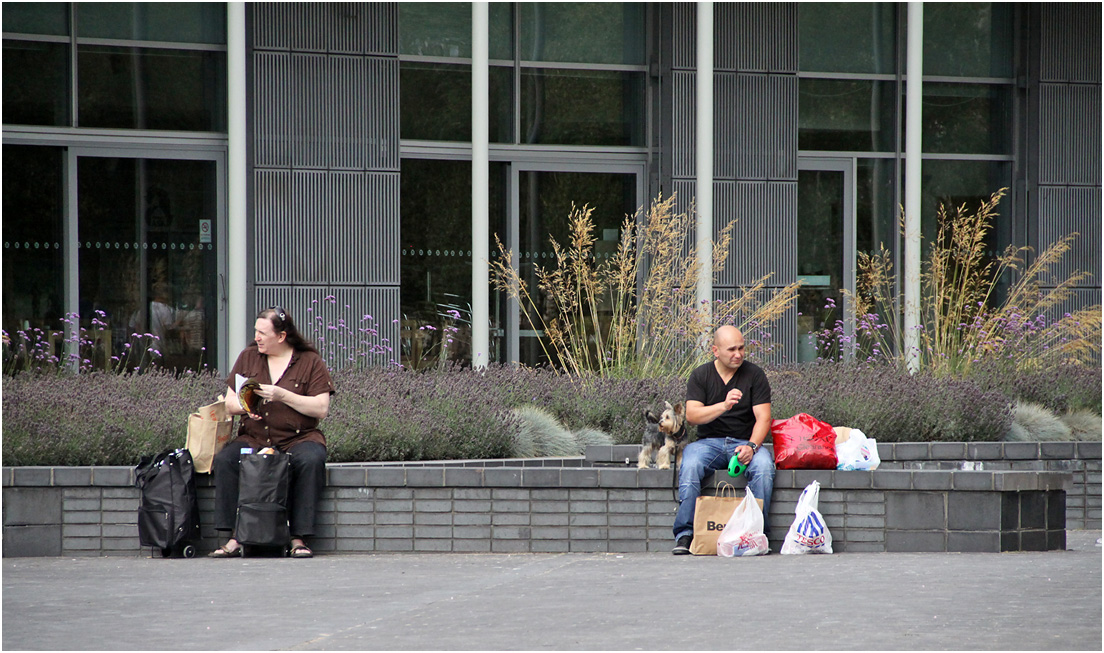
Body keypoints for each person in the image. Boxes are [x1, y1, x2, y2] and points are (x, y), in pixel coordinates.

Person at [208, 306, 335, 558]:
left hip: (298, 438)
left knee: (310, 460)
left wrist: (282, 395)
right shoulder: (248, 357)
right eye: (256, 331)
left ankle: (299, 538)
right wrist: (248, 405)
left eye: (262, 333)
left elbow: (321, 408)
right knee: (226, 460)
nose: (256, 337)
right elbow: (230, 403)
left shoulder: (310, 361)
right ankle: (234, 536)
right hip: (254, 437)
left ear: (281, 336)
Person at [672, 325, 774, 555]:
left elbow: (763, 419)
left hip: (745, 441)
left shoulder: (754, 375)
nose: (738, 354)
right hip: (709, 443)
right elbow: (692, 416)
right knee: (690, 463)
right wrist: (724, 405)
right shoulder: (701, 375)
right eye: (731, 349)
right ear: (715, 350)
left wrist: (751, 446)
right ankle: (685, 533)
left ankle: (757, 532)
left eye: (741, 348)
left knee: (764, 467)